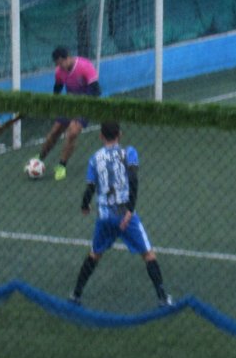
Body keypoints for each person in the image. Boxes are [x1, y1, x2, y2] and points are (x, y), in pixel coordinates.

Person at [71, 121, 172, 308]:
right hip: (125, 215)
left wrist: (85, 205)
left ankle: (76, 294)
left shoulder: (95, 158)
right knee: (148, 254)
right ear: (120, 135)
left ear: (101, 136)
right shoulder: (129, 153)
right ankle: (163, 297)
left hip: (104, 217)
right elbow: (133, 179)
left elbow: (90, 187)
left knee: (95, 254)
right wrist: (130, 210)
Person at [39, 46, 102, 179]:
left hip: (86, 105)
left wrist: (82, 104)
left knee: (72, 132)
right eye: (57, 64)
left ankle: (62, 166)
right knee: (55, 131)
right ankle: (39, 158)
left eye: (60, 63)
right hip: (70, 105)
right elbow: (58, 87)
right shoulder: (59, 71)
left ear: (67, 58)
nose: (59, 67)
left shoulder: (85, 67)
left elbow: (96, 92)